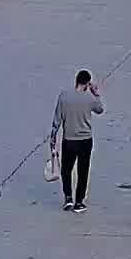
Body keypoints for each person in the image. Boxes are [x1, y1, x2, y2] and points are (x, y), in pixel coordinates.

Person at [51, 69, 105, 212]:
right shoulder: (89, 98)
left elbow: (57, 118)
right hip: (85, 140)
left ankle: (68, 198)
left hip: (69, 140)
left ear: (76, 80)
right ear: (87, 83)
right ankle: (79, 202)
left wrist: (53, 136)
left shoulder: (64, 96)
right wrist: (96, 93)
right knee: (83, 171)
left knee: (66, 170)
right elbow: (100, 109)